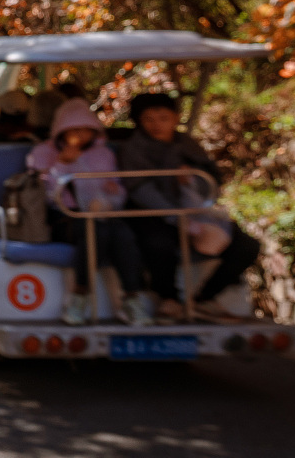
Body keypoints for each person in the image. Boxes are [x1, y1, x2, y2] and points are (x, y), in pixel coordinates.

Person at [117, 93, 261, 322]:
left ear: (175, 118)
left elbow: (211, 182)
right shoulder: (133, 149)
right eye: (149, 119)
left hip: (196, 210)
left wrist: (191, 185)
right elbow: (141, 190)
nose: (156, 125)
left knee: (247, 246)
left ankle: (205, 299)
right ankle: (169, 299)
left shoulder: (187, 144)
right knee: (157, 243)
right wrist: (176, 217)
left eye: (163, 118)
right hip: (152, 213)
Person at [28, 99, 159, 325]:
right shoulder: (42, 153)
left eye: (85, 130)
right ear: (62, 130)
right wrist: (61, 165)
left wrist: (112, 192)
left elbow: (117, 187)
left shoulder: (103, 154)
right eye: (74, 129)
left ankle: (131, 298)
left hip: (103, 214)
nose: (80, 135)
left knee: (122, 234)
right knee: (96, 232)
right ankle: (79, 295)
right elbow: (43, 194)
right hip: (63, 217)